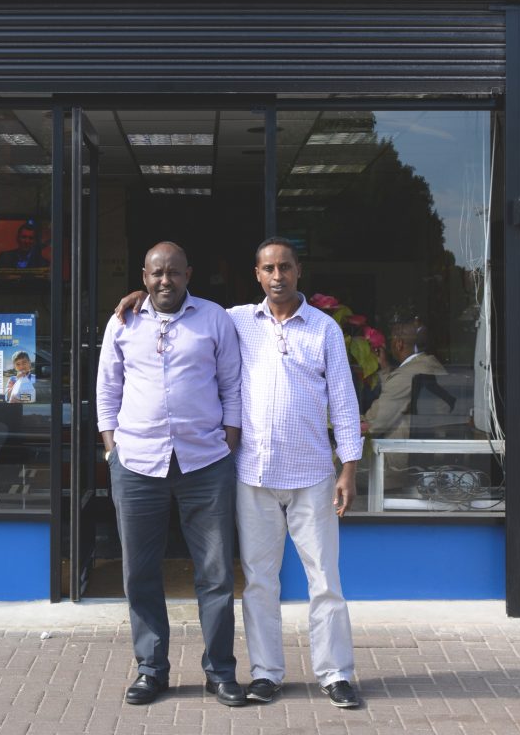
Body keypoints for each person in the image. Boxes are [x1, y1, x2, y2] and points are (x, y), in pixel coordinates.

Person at [116, 237, 362, 709]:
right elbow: (171, 306)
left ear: (298, 271)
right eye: (268, 268)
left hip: (312, 474)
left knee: (325, 581)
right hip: (252, 475)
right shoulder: (233, 321)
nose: (277, 276)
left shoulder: (324, 328)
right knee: (260, 582)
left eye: (285, 267)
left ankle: (335, 674)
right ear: (256, 275)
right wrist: (136, 298)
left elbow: (346, 406)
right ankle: (267, 673)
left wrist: (347, 469)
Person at [97, 241, 246, 708]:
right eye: (157, 273)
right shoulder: (122, 321)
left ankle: (220, 672)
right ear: (144, 275)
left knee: (217, 574)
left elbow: (232, 385)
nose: (166, 281)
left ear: (189, 274)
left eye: (175, 273)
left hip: (205, 463)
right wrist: (111, 450)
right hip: (137, 463)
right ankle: (151, 670)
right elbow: (107, 388)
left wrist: (230, 442)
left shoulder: (215, 318)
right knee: (140, 572)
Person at [364, 319, 448, 483]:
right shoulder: (431, 365)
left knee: (331, 461)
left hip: (395, 465)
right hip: (430, 458)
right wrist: (385, 368)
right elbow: (402, 392)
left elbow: (374, 425)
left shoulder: (405, 376)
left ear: (399, 344)